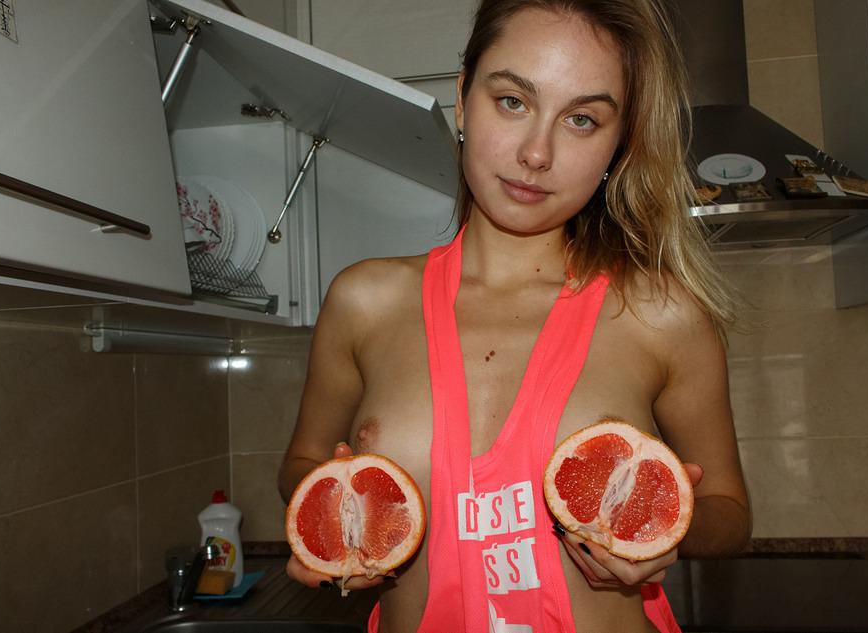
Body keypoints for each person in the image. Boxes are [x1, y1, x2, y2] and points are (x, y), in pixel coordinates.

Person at [278, 0, 751, 631]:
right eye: (512, 101)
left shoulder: (661, 314)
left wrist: (672, 531)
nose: (536, 153)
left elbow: (728, 511)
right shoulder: (363, 302)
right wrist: (331, 529)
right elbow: (303, 464)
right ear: (462, 100)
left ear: (618, 144)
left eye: (582, 119)